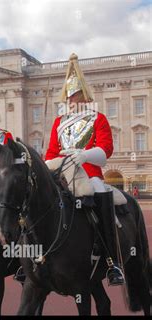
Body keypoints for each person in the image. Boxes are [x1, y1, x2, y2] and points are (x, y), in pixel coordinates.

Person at [45, 53, 124, 286]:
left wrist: (85, 155)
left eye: (75, 94)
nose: (71, 99)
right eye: (69, 96)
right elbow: (50, 153)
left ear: (84, 96)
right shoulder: (59, 123)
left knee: (100, 193)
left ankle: (112, 261)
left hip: (89, 173)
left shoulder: (97, 118)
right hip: (62, 173)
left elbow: (106, 150)